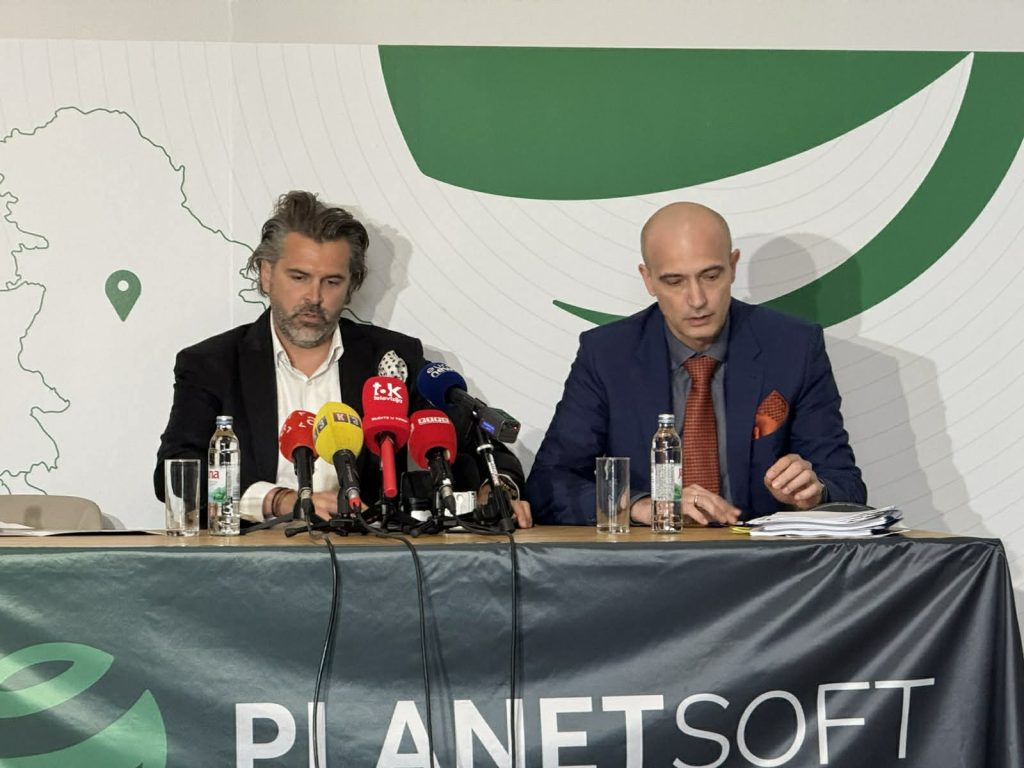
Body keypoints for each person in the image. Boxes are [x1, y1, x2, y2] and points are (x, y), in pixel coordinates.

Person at [155, 191, 531, 527]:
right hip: (255, 559)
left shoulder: (392, 359)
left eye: (332, 281)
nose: (314, 297)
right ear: (266, 275)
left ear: (352, 285)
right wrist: (280, 500)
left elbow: (483, 450)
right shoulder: (212, 364)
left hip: (370, 558)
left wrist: (497, 491)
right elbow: (177, 476)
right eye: (299, 277)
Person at [528, 202, 865, 526]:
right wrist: (642, 506)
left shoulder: (793, 348)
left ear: (733, 266)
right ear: (648, 280)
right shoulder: (607, 354)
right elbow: (548, 484)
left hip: (762, 559)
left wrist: (814, 493)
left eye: (710, 276)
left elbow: (845, 485)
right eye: (675, 281)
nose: (697, 299)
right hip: (646, 558)